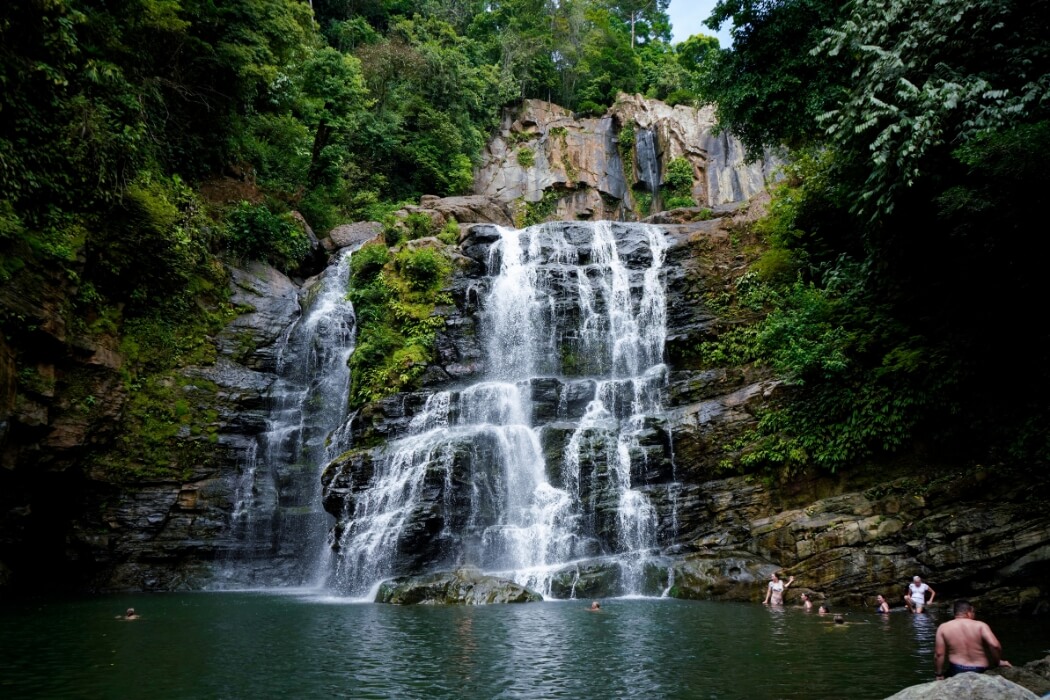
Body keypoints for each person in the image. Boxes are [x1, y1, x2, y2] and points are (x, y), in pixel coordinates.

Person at [934, 599, 1011, 680]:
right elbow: (995, 645)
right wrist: (998, 662)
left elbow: (939, 654)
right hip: (980, 669)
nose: (974, 615)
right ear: (969, 612)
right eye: (974, 612)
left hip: (956, 669)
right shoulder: (981, 625)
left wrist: (939, 674)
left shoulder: (943, 627)